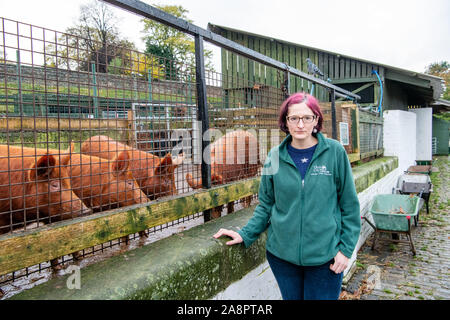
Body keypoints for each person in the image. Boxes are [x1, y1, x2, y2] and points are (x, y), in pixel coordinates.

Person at [213, 92, 361, 300]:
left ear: (316, 120)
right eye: (294, 118)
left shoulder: (335, 153)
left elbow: (350, 206)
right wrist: (246, 234)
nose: (300, 124)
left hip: (325, 259)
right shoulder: (274, 156)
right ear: (285, 122)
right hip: (282, 259)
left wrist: (345, 251)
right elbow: (266, 205)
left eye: (307, 118)